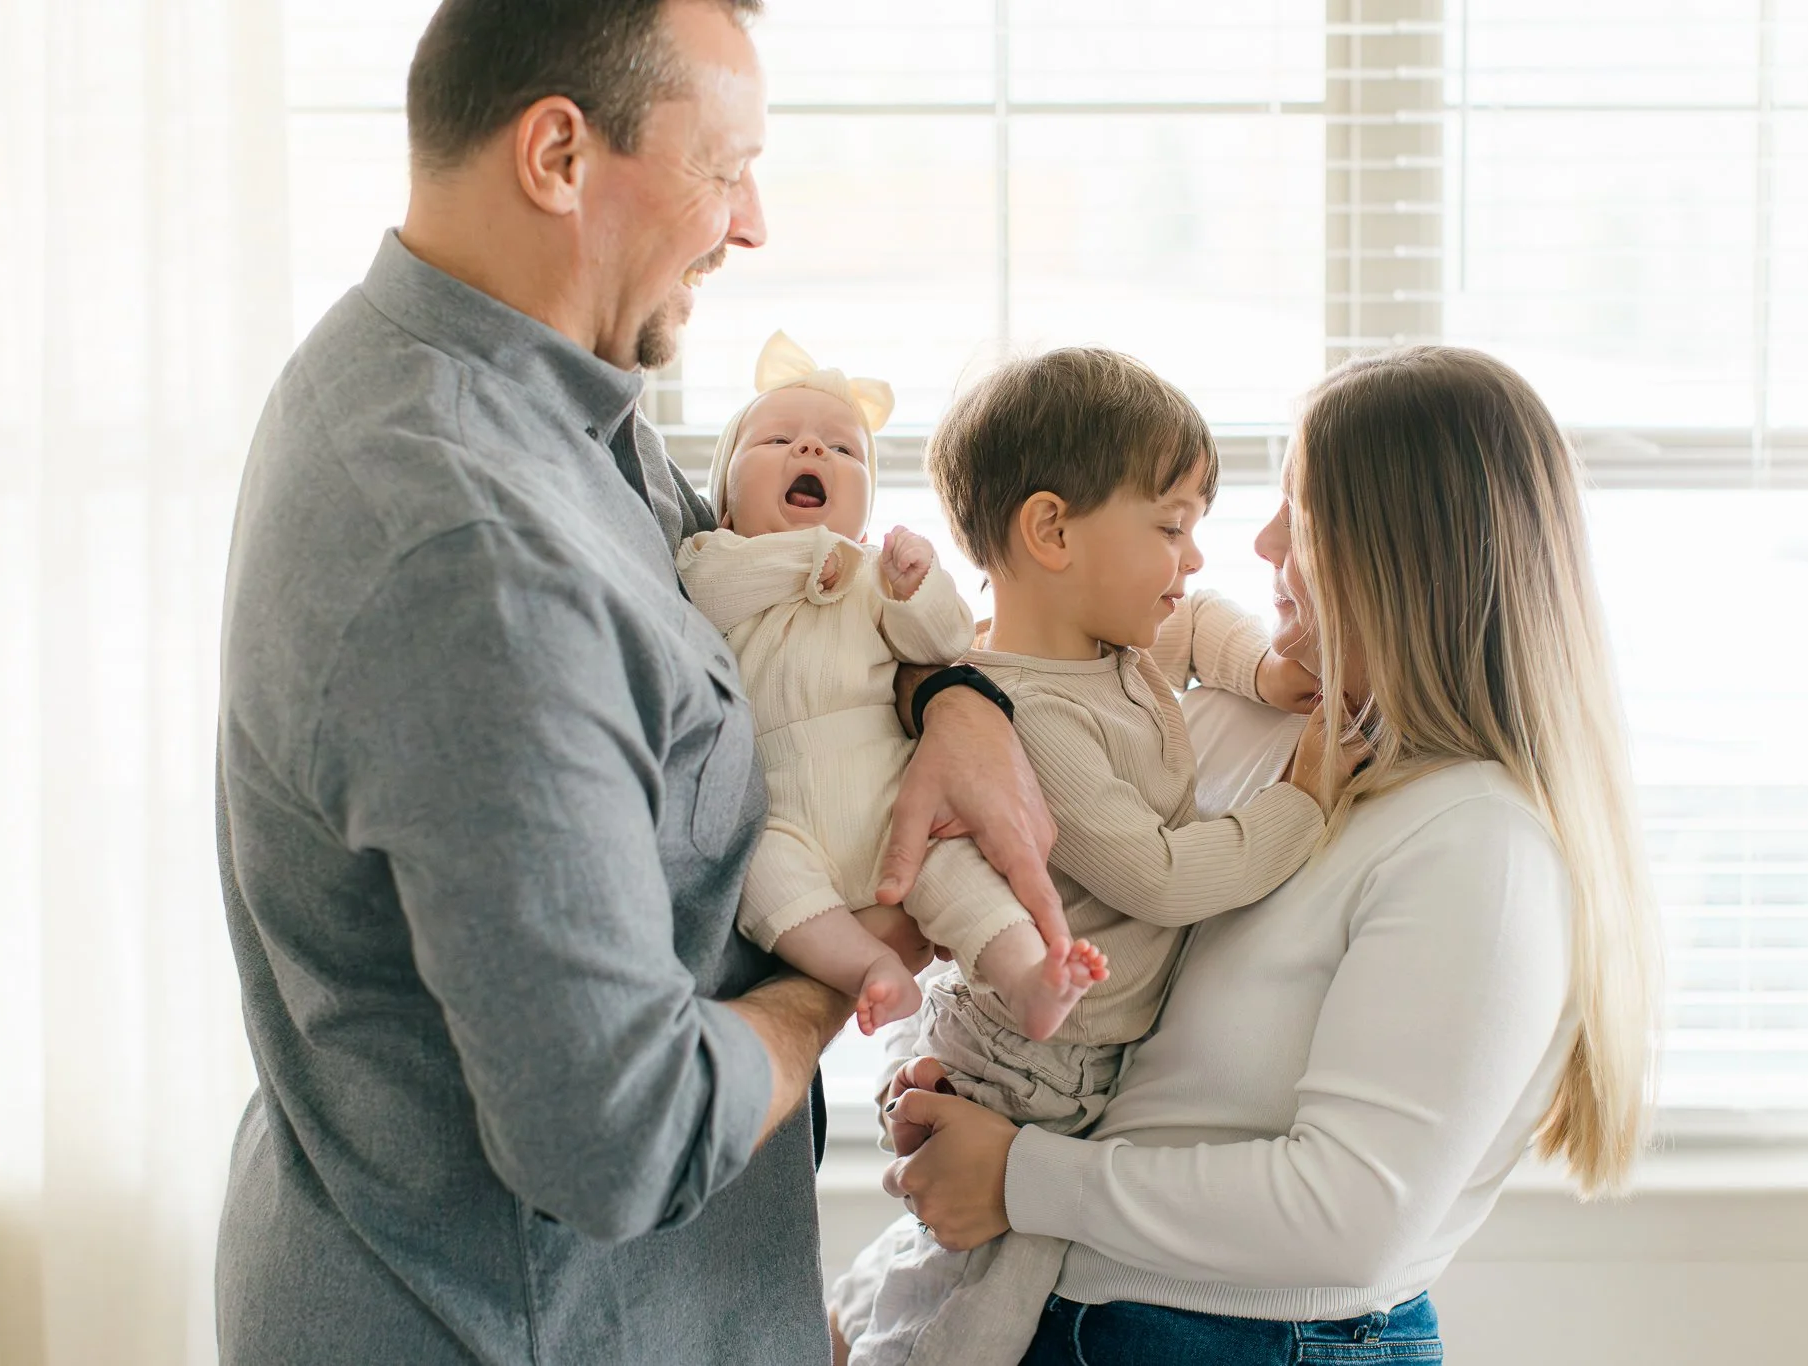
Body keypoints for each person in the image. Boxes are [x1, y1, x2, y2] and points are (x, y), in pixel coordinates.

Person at [212, 3, 1058, 1363]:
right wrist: (844, 974)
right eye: (723, 168)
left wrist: (958, 699)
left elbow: (743, 606)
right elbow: (622, 1138)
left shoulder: (506, 395)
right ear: (557, 154)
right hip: (518, 1320)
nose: (754, 223)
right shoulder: (471, 546)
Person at [854, 346, 1664, 1366]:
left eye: (1303, 513)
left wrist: (1020, 1174)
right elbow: (1017, 858)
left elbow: (1347, 1213)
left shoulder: (1478, 847)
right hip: (1065, 1304)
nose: (1258, 540)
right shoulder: (1253, 730)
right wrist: (932, 1082)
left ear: (1400, 554)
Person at [832, 348, 1334, 1366]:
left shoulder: (1114, 645)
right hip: (1036, 1060)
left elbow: (1199, 625)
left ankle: (862, 1305)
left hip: (1063, 1039)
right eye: (1170, 527)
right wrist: (1302, 803)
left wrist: (1268, 671)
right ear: (1052, 530)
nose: (1194, 558)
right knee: (988, 1284)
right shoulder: (1035, 719)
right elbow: (1158, 871)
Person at [677, 331, 1105, 1038]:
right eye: (778, 439)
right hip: (780, 812)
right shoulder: (715, 556)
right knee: (759, 876)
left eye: (843, 450)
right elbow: (705, 596)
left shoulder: (873, 575)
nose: (813, 452)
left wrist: (917, 585)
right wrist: (809, 559)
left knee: (960, 871)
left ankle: (1030, 977)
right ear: (724, 503)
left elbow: (942, 642)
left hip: (892, 797)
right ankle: (869, 968)